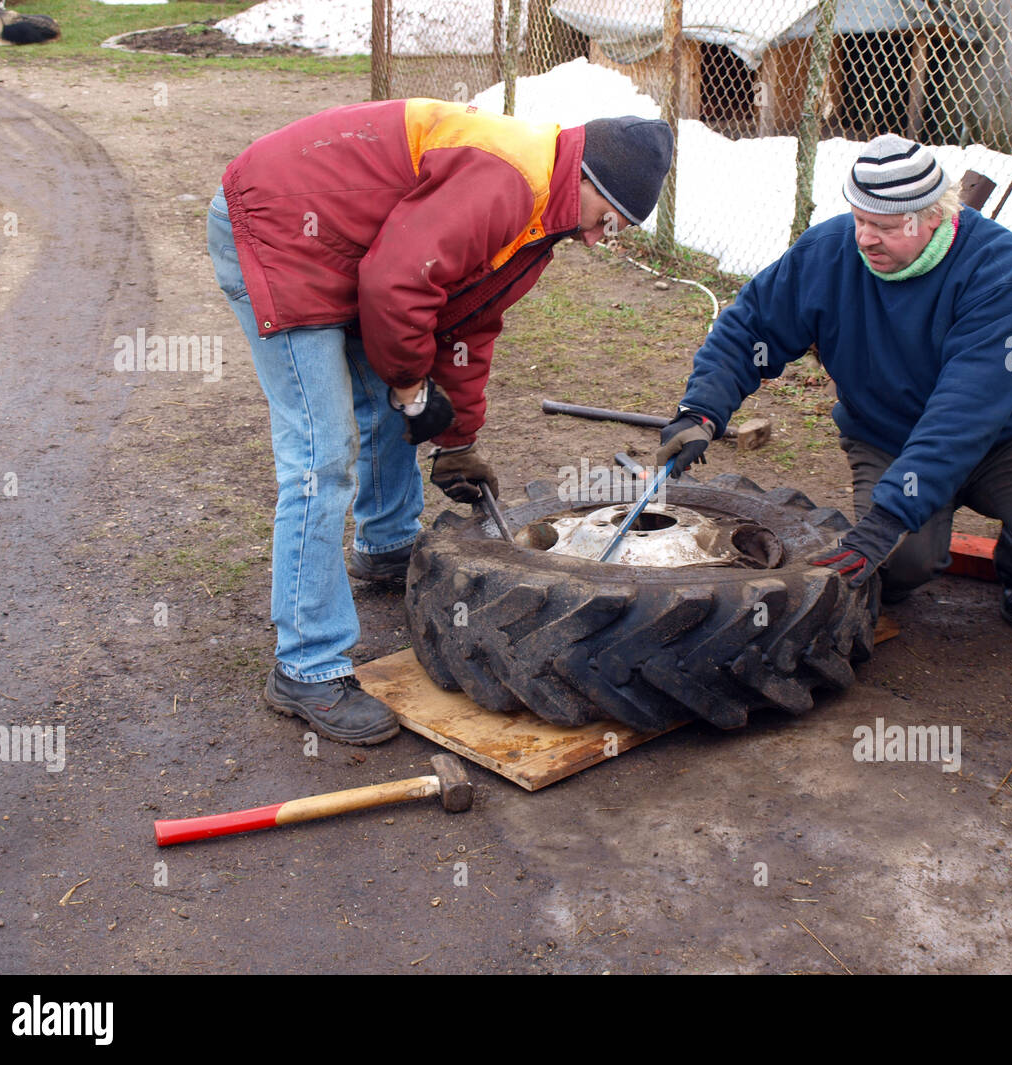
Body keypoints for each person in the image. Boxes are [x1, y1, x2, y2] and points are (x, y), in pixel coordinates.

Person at [208, 99, 673, 744]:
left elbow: (467, 321)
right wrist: (408, 384)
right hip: (279, 227)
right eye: (609, 220)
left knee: (392, 390)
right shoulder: (509, 181)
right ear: (590, 182)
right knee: (323, 453)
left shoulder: (542, 216)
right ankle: (306, 664)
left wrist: (457, 439)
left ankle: (385, 544)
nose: (599, 238)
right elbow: (398, 283)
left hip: (348, 244)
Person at [655, 133, 1012, 629]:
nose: (864, 237)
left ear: (934, 215)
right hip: (887, 436)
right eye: (859, 218)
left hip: (1002, 436)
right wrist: (702, 411)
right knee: (902, 565)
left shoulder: (998, 267)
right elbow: (750, 328)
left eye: (883, 226)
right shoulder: (829, 253)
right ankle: (915, 548)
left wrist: (889, 517)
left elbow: (969, 405)